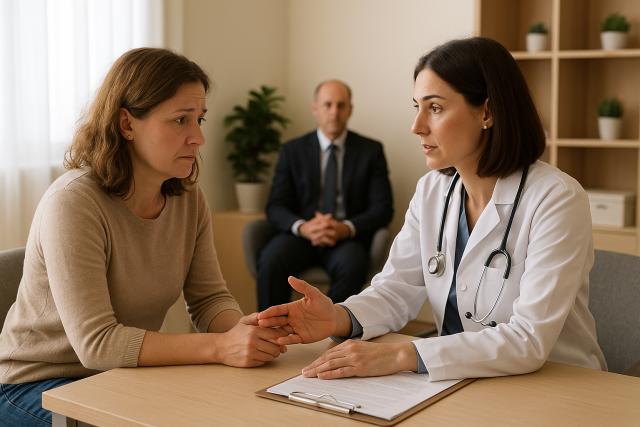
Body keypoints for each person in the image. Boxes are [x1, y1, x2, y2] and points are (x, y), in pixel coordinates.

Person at [257, 37, 607, 381]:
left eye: (435, 108)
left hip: (556, 383)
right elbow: (396, 288)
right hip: (460, 376)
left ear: (487, 112)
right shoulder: (432, 191)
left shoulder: (556, 198)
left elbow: (528, 339)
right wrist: (337, 317)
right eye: (417, 107)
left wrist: (400, 354)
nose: (416, 126)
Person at [0, 48, 288, 426]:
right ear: (127, 124)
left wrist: (247, 331)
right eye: (180, 120)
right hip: (36, 386)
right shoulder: (73, 203)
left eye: (199, 119)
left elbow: (208, 299)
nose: (198, 137)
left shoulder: (188, 197)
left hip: (117, 377)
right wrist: (220, 346)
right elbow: (97, 344)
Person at [257, 79, 393, 311]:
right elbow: (276, 206)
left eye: (341, 105)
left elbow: (383, 209)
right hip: (301, 235)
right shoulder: (292, 150)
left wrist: (345, 227)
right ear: (315, 109)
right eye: (328, 105)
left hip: (345, 238)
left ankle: (329, 332)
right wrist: (303, 227)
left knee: (353, 265)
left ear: (350, 109)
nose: (334, 112)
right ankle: (270, 331)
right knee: (272, 260)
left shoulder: (371, 151)